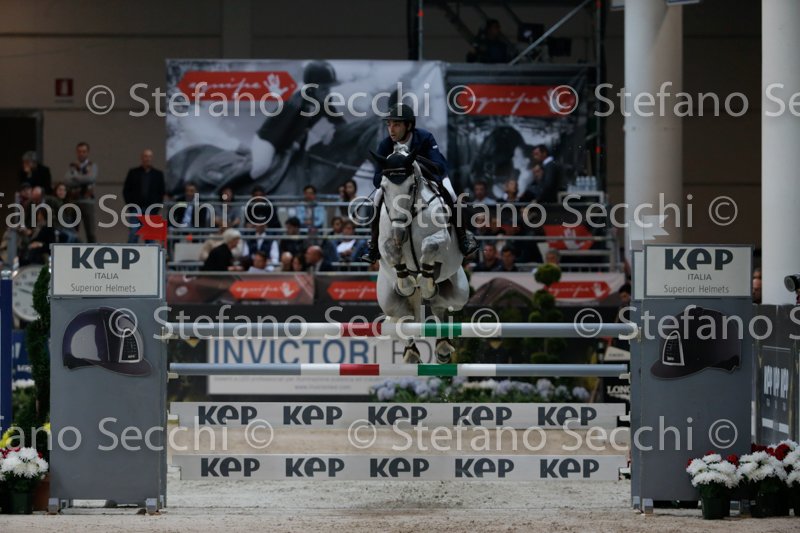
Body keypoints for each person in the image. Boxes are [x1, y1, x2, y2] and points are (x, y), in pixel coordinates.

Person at [362, 103, 479, 262]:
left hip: (431, 177)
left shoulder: (425, 137)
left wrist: (413, 163)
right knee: (376, 199)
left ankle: (463, 238)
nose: (391, 129)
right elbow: (377, 180)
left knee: (451, 194)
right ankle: (373, 246)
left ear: (409, 125)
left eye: (396, 125)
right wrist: (392, 170)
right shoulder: (385, 145)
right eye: (389, 124)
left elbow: (438, 166)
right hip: (398, 184)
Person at [221, 60, 345, 192]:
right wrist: (293, 144)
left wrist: (334, 130)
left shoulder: (325, 101)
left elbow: (339, 121)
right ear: (311, 88)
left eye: (329, 88)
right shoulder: (295, 104)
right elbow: (283, 132)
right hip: (269, 140)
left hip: (291, 142)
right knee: (260, 168)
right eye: (324, 88)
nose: (328, 92)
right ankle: (226, 189)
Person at [122, 149, 166, 243]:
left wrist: (156, 208)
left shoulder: (158, 174)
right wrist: (131, 206)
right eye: (145, 156)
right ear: (142, 158)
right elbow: (126, 190)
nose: (147, 159)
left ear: (152, 158)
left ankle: (150, 253)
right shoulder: (133, 173)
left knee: (150, 237)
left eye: (149, 156)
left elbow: (161, 193)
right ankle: (131, 252)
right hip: (136, 209)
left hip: (151, 210)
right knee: (133, 234)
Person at [64, 141, 98, 242]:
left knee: (90, 232)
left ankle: (93, 249)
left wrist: (75, 177)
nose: (81, 154)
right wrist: (83, 179)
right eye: (79, 151)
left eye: (84, 151)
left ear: (87, 152)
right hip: (74, 201)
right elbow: (67, 181)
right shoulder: (72, 166)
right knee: (72, 229)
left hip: (88, 201)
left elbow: (91, 178)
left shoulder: (92, 166)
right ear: (76, 152)